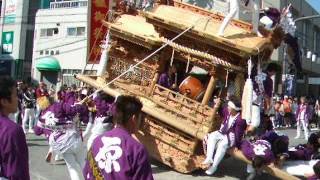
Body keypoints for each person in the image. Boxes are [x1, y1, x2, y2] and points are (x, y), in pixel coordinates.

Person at [83, 95, 154, 180]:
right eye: (141, 118)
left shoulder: (96, 142)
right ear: (134, 118)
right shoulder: (137, 149)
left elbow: (87, 173)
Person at [36, 94, 89, 180]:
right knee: (83, 164)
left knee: (72, 168)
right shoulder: (58, 106)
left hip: (61, 145)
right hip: (73, 138)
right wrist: (80, 106)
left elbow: (37, 131)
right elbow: (73, 111)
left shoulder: (42, 118)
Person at [202, 97, 247, 175]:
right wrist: (217, 103)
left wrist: (237, 145)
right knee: (212, 136)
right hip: (222, 131)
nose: (228, 107)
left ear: (234, 108)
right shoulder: (227, 111)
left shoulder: (240, 120)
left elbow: (239, 133)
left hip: (231, 136)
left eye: (230, 106)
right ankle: (209, 158)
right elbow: (221, 111)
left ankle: (214, 166)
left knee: (222, 145)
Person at [0, 76, 30, 180]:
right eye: (15, 95)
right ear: (3, 101)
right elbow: (17, 172)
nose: (17, 99)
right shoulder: (12, 130)